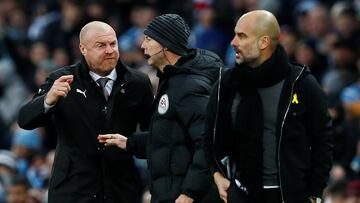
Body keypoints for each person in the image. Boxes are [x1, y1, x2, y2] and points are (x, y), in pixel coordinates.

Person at [205, 10, 333, 203]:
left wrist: (315, 192)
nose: (233, 42)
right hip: (240, 193)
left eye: (241, 36)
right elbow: (209, 138)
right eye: (234, 34)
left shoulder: (301, 83)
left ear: (264, 42)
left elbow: (322, 141)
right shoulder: (226, 84)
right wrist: (217, 175)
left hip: (291, 195)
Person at [17, 21, 153, 203]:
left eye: (113, 44)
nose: (110, 50)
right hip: (73, 191)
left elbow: (153, 135)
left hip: (120, 189)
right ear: (83, 49)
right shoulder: (62, 79)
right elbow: (25, 120)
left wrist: (130, 143)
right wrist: (48, 100)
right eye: (101, 45)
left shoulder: (138, 82)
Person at [98, 14, 223, 203]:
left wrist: (190, 193)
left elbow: (207, 141)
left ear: (165, 44)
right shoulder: (174, 80)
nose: (142, 46)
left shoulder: (188, 86)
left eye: (148, 39)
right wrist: (130, 143)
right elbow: (173, 138)